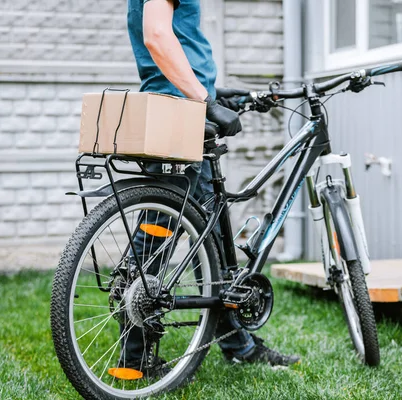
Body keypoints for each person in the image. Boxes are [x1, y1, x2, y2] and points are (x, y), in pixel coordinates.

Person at [120, 0, 300, 374]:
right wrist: (203, 101)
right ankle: (135, 355)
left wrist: (216, 93)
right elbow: (157, 35)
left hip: (182, 106)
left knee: (208, 238)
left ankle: (236, 341)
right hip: (181, 114)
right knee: (160, 233)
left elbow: (179, 42)